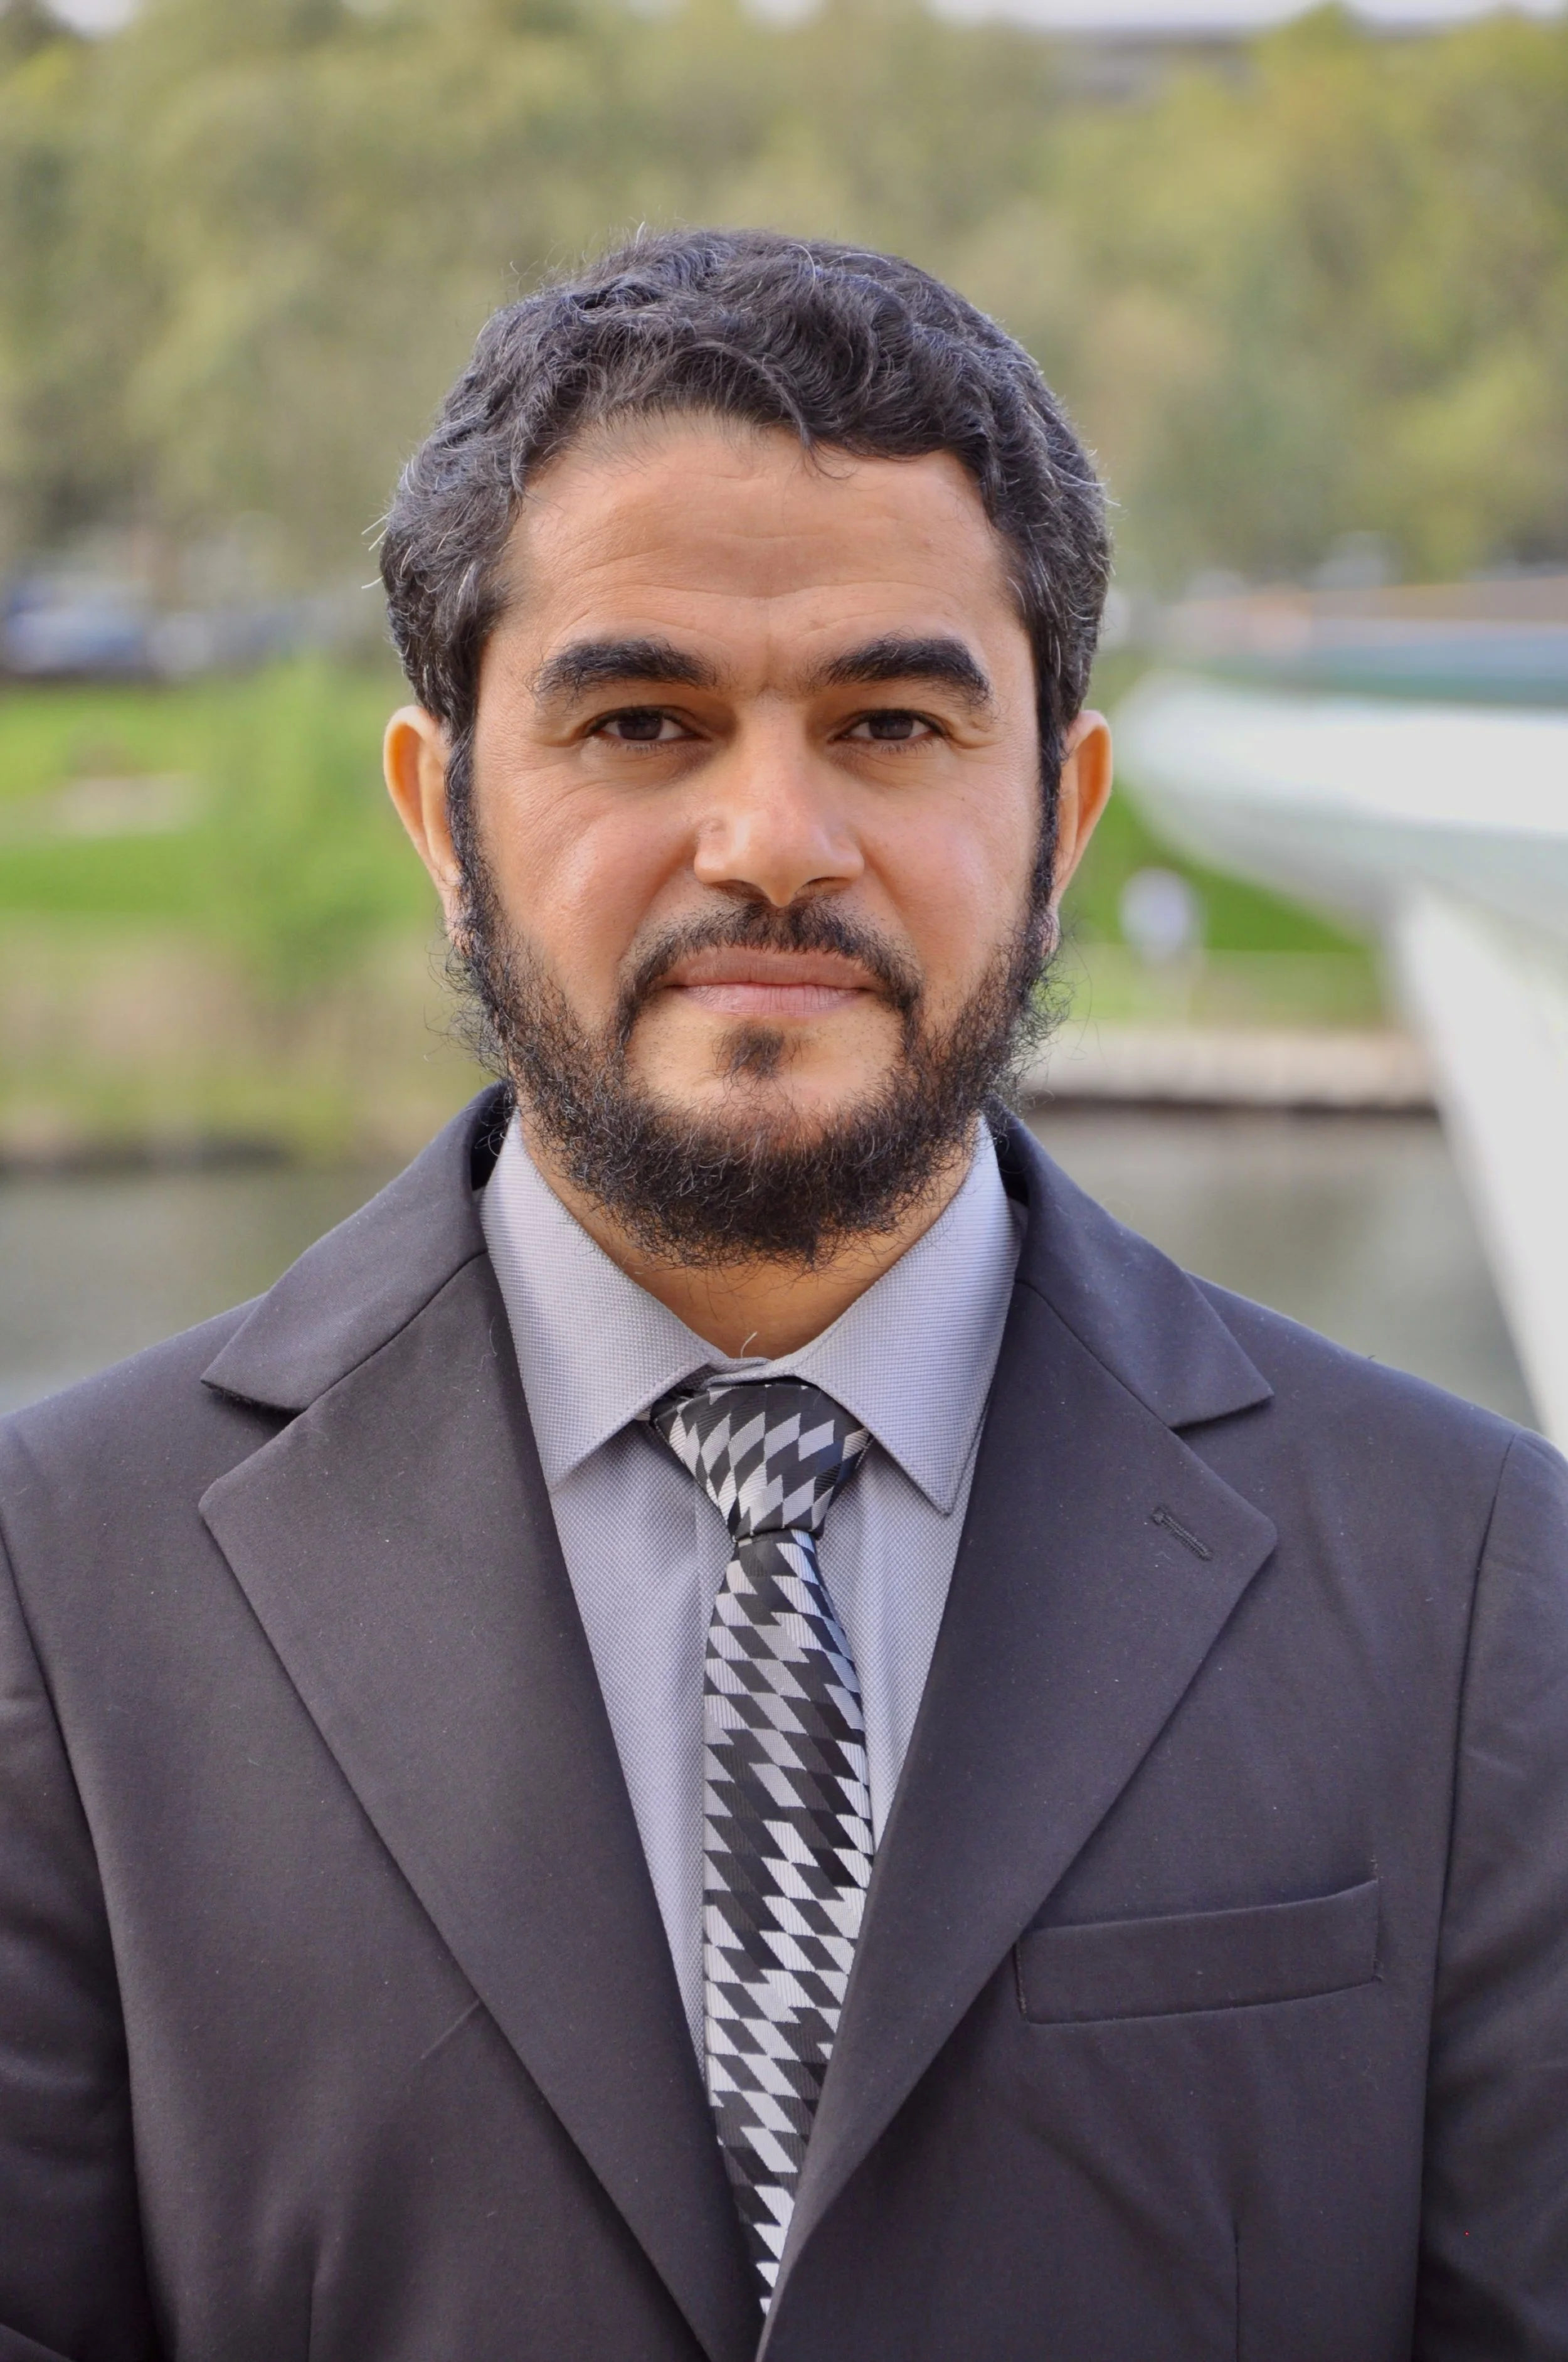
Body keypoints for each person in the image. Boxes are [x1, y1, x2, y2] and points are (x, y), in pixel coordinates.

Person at [1, 230, 1564, 2362]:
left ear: (1060, 812)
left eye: (892, 720)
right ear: (439, 814)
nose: (769, 835)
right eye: (639, 719)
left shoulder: (1475, 1578)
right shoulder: (57, 1592)